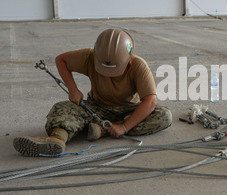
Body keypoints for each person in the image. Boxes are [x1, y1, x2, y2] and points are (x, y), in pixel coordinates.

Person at [13, 28, 172, 157]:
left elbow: (150, 101)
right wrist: (73, 89)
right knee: (61, 109)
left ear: (129, 59)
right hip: (96, 107)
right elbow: (60, 60)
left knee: (163, 116)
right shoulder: (90, 56)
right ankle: (56, 139)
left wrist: (124, 127)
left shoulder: (139, 66)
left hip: (128, 110)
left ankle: (103, 129)